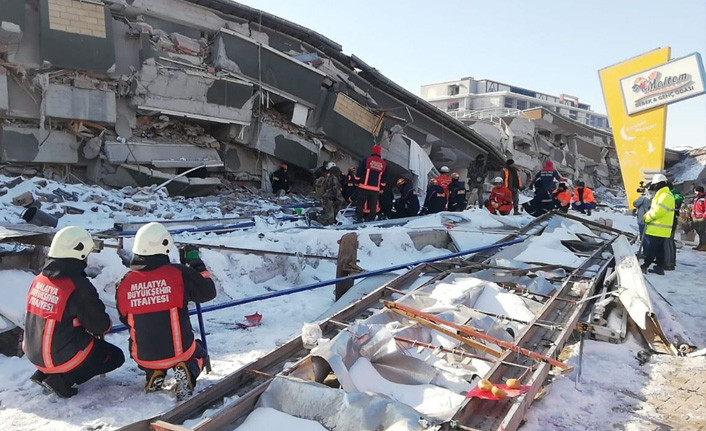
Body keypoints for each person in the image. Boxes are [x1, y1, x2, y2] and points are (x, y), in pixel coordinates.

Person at [116, 222, 216, 400]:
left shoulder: (124, 283)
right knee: (199, 351)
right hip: (180, 351)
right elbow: (208, 292)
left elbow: (125, 319)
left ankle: (154, 371)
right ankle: (189, 371)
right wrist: (196, 264)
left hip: (143, 356)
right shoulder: (178, 274)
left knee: (144, 339)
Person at [24, 226, 124, 398]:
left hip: (33, 352)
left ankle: (43, 374)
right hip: (58, 356)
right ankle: (63, 379)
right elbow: (100, 325)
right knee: (114, 356)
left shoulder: (39, 279)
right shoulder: (77, 286)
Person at [641, 174, 675, 275]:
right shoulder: (663, 195)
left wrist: (647, 217)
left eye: (655, 185)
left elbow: (658, 212)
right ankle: (659, 268)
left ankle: (645, 266)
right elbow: (654, 209)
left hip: (659, 229)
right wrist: (647, 214)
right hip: (660, 229)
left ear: (659, 184)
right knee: (660, 250)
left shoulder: (665, 196)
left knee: (652, 249)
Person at [355, 145, 387, 222]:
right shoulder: (383, 164)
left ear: (372, 151)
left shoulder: (366, 160)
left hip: (364, 187)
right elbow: (384, 179)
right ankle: (371, 220)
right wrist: (382, 188)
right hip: (375, 189)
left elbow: (359, 172)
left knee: (360, 204)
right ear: (380, 153)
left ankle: (359, 219)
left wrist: (356, 182)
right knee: (373, 206)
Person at [663, 183, 683, 270]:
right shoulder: (676, 195)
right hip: (673, 221)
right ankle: (672, 262)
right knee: (671, 242)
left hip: (668, 222)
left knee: (667, 243)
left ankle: (667, 263)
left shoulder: (669, 196)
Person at [633, 183, 653, 257]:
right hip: (648, 220)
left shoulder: (645, 198)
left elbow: (635, 203)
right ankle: (647, 252)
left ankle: (646, 253)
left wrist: (642, 197)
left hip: (643, 220)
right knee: (647, 238)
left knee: (645, 238)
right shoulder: (654, 197)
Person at [691, 186, 706, 251]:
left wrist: (704, 216)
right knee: (698, 231)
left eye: (696, 191)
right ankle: (700, 244)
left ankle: (704, 245)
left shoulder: (704, 199)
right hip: (695, 217)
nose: (695, 192)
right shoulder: (696, 199)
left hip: (701, 218)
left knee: (702, 231)